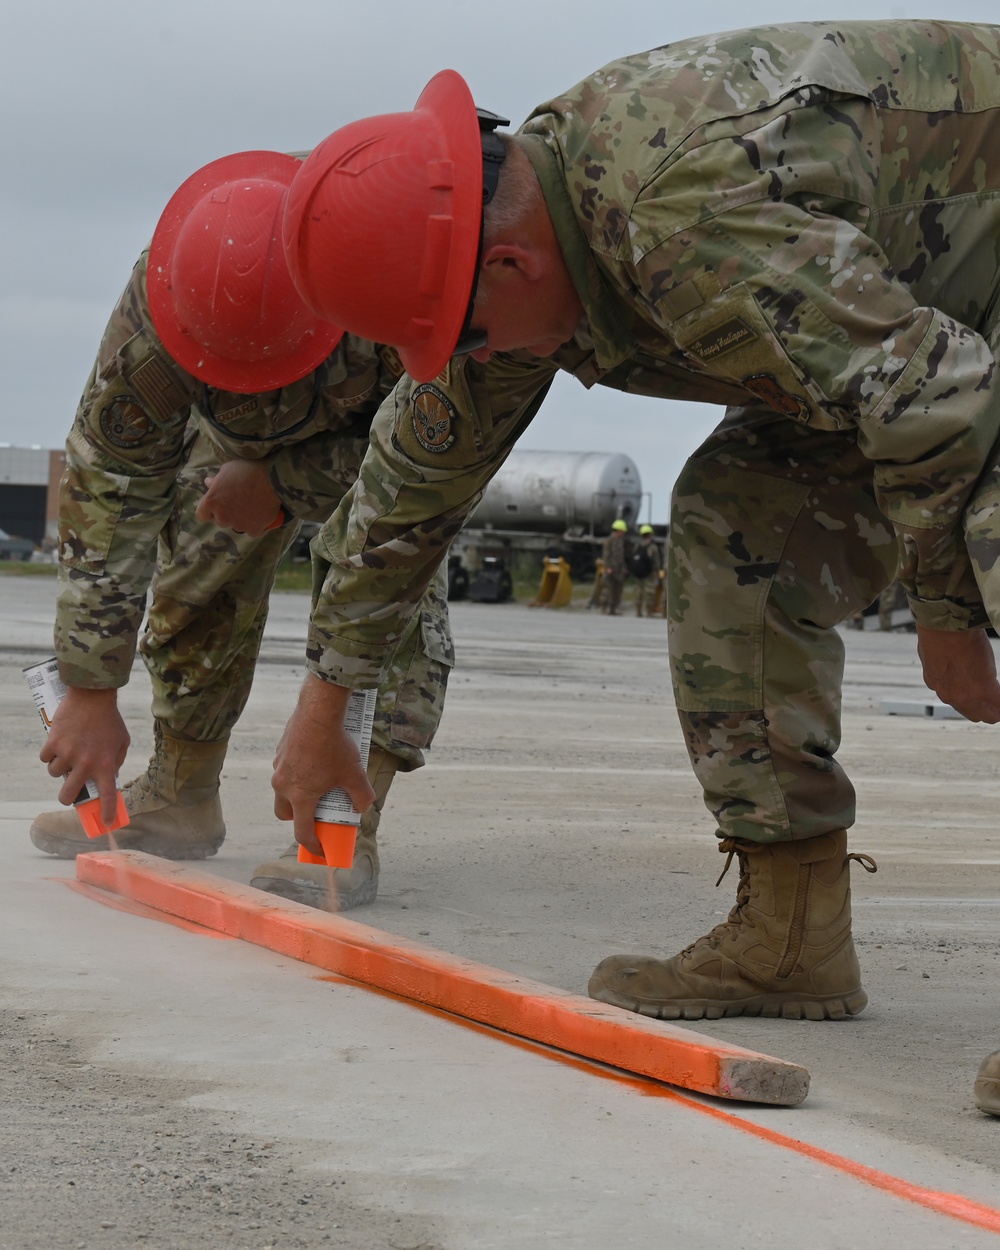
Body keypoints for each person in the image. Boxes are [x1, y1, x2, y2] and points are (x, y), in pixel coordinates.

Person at [264, 20, 1000, 1022]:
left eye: (460, 339)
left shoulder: (677, 217)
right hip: (925, 333)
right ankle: (791, 934)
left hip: (947, 349)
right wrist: (326, 704)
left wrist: (946, 616)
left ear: (511, 269)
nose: (468, 362)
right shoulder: (517, 230)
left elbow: (938, 400)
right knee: (739, 531)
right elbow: (409, 482)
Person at [31, 151, 454, 911]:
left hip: (382, 446)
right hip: (229, 441)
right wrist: (91, 687)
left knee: (391, 589)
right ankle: (181, 794)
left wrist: (285, 482)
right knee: (199, 549)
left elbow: (440, 458)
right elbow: (111, 487)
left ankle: (340, 824)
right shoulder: (164, 303)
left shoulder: (401, 271)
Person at [630, 525, 663, 618]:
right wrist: (657, 571)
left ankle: (638, 611)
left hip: (638, 573)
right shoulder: (652, 546)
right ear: (650, 534)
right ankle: (649, 612)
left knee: (638, 592)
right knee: (649, 592)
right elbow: (656, 560)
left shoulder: (637, 545)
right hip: (649, 573)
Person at [599, 519, 628, 615]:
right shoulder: (609, 541)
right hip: (610, 569)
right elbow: (606, 555)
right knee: (607, 589)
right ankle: (604, 607)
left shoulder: (620, 542)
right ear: (618, 530)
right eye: (622, 531)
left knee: (617, 590)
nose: (623, 533)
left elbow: (621, 556)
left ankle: (613, 609)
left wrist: (624, 568)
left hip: (619, 570)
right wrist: (608, 567)